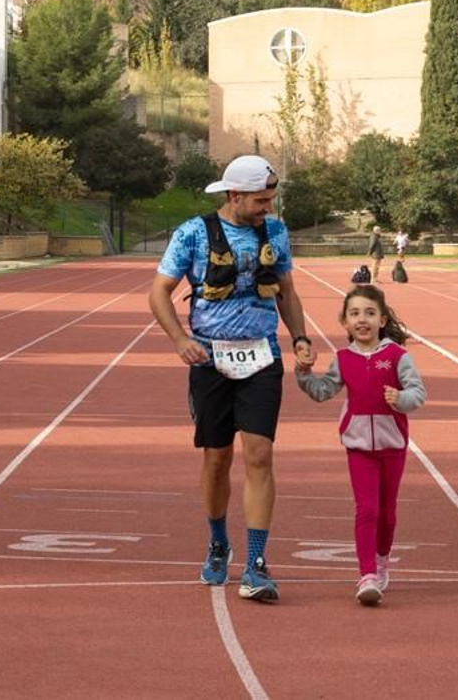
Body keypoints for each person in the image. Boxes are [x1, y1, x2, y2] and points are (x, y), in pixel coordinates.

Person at [149, 154, 311, 602]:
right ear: (234, 195)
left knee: (259, 455)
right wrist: (180, 340)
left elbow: (288, 291)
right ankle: (218, 542)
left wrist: (299, 337)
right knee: (217, 459)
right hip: (209, 361)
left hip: (262, 358)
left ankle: (256, 563)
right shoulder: (193, 233)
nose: (267, 208)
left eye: (270, 199)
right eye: (260, 200)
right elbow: (158, 292)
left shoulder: (275, 233)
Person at [293, 284, 427, 606]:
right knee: (366, 509)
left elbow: (418, 393)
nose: (362, 319)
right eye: (354, 314)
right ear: (344, 321)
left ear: (382, 320)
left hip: (392, 445)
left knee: (387, 513)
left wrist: (401, 399)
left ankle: (382, 560)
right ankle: (366, 574)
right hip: (358, 448)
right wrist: (303, 373)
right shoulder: (343, 359)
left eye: (369, 313)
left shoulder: (397, 356)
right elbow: (324, 390)